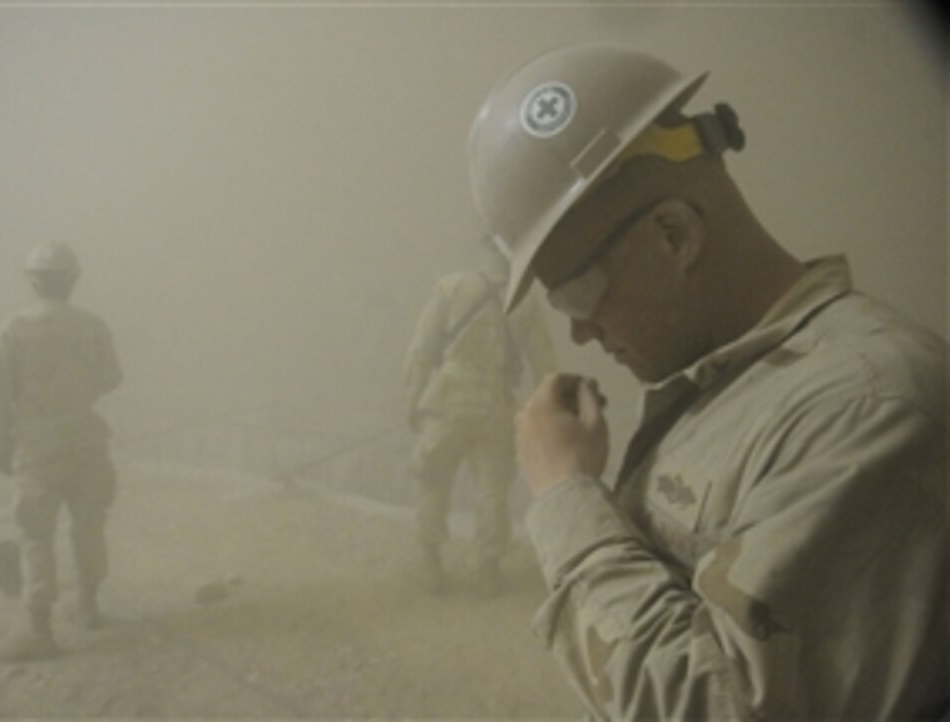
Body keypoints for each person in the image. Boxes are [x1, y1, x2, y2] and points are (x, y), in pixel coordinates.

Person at [466, 45, 947, 718]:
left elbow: (718, 707)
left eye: (577, 293)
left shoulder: (867, 406)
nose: (578, 332)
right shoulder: (725, 388)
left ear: (673, 236)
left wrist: (565, 493)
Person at [0, 241, 122, 663]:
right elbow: (112, 378)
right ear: (73, 280)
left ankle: (38, 631)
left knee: (36, 536)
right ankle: (88, 605)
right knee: (89, 526)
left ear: (32, 281)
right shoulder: (92, 325)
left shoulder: (13, 328)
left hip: (37, 448)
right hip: (86, 441)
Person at [403, 235, 555, 597]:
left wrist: (412, 399)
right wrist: (544, 415)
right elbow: (545, 365)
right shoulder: (526, 300)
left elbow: (422, 349)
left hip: (447, 402)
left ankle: (431, 562)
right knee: (492, 487)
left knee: (433, 480)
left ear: (483, 249)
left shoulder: (451, 287)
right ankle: (488, 568)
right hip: (495, 405)